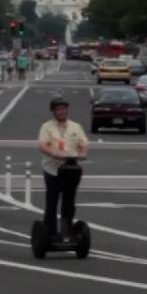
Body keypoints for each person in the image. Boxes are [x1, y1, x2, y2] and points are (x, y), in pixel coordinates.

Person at [38, 97, 89, 241]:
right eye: (58, 109)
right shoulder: (47, 127)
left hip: (70, 169)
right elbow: (42, 145)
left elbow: (83, 143)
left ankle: (67, 231)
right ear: (53, 111)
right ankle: (50, 232)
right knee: (52, 201)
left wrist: (83, 153)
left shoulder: (75, 127)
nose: (62, 112)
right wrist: (53, 153)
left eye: (64, 109)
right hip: (52, 169)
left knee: (69, 201)